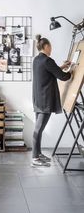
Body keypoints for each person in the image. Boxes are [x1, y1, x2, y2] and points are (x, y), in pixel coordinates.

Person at [32, 34, 72, 167]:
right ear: (46, 46)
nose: (51, 49)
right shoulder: (48, 60)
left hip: (38, 99)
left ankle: (38, 154)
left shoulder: (37, 60)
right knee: (38, 129)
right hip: (45, 100)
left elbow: (50, 71)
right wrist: (72, 71)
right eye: (51, 47)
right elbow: (63, 77)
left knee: (39, 128)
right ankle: (34, 157)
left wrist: (61, 66)